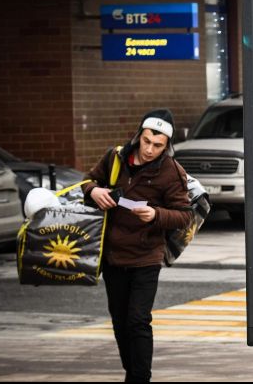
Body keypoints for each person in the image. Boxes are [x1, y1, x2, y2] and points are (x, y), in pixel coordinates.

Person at [83, 108, 192, 383]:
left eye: (158, 145)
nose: (150, 150)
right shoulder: (115, 157)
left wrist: (156, 215)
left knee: (138, 320)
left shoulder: (171, 171)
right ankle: (133, 374)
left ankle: (139, 378)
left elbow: (184, 215)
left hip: (146, 257)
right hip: (113, 256)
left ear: (167, 146)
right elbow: (88, 181)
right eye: (146, 141)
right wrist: (93, 191)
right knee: (120, 323)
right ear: (138, 136)